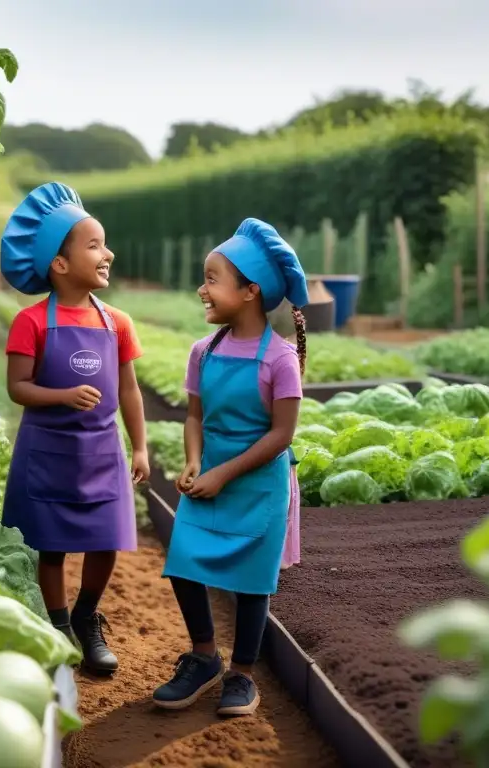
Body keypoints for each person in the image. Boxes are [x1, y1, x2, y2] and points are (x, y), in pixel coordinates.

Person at [153, 218, 308, 717]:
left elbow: (282, 435)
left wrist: (224, 473)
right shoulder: (205, 350)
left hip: (258, 482)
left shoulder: (280, 359)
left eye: (212, 278)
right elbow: (194, 417)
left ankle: (242, 674)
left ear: (249, 291)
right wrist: (196, 461)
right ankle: (203, 659)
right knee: (184, 561)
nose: (202, 288)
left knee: (251, 583)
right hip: (210, 476)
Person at [0, 182, 150, 674]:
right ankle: (58, 623)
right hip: (46, 450)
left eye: (104, 244)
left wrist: (141, 447)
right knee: (52, 544)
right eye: (93, 245)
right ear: (59, 265)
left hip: (102, 450)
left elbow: (129, 390)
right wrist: (62, 396)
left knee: (106, 539)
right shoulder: (29, 322)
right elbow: (18, 388)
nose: (107, 253)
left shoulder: (118, 322)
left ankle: (87, 616)